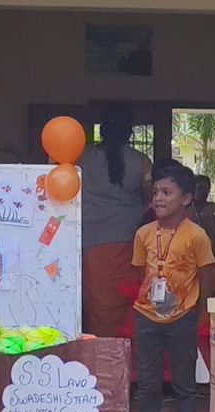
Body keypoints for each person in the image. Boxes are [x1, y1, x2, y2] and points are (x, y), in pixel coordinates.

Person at [118, 160, 215, 412]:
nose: (158, 198)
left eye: (166, 192)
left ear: (186, 198)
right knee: (148, 384)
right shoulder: (144, 234)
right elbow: (139, 274)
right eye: (156, 192)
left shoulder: (197, 236)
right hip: (147, 316)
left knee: (184, 384)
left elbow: (208, 277)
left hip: (183, 317)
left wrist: (202, 314)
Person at [79, 104, 151, 339]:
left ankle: (99, 350)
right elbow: (152, 198)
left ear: (102, 130)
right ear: (129, 131)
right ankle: (125, 352)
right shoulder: (140, 161)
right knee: (127, 300)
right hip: (128, 238)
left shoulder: (82, 157)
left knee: (96, 302)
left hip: (89, 239)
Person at [191, 175, 215, 295]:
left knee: (214, 295)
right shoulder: (185, 209)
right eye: (200, 188)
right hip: (189, 261)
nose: (203, 192)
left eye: (206, 189)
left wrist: (214, 252)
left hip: (214, 259)